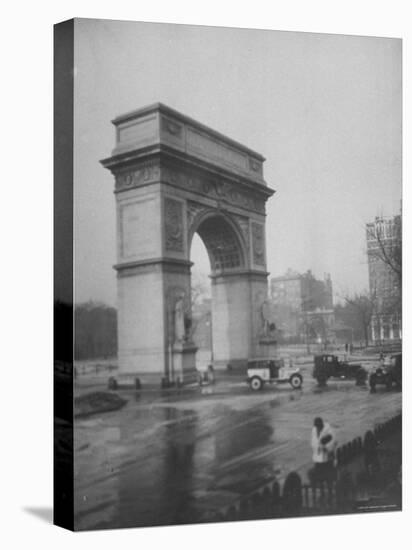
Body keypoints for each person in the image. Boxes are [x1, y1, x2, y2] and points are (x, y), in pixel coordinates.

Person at [309, 417, 337, 485]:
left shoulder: (328, 431)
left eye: (319, 426)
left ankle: (329, 484)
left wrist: (326, 448)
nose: (318, 428)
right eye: (317, 427)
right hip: (319, 457)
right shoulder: (315, 431)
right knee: (319, 473)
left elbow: (334, 442)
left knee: (328, 473)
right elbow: (313, 443)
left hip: (328, 456)